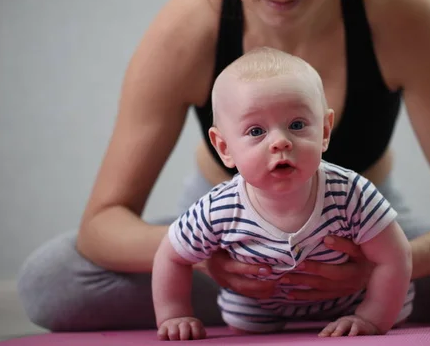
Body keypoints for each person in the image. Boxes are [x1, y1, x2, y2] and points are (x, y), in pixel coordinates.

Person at [17, 0, 430, 332]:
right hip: (232, 239)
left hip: (363, 229)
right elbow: (102, 222)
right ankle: (265, 303)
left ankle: (363, 297)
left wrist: (385, 265)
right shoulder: (186, 29)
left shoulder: (400, 14)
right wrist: (205, 262)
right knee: (50, 282)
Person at [152, 47, 413, 340]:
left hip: (351, 300)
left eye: (297, 125)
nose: (280, 142)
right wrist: (175, 314)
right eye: (255, 131)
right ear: (224, 148)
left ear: (325, 131)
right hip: (257, 305)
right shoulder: (218, 207)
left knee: (398, 303)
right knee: (242, 324)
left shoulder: (350, 193)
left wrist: (372, 316)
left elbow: (395, 256)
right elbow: (172, 255)